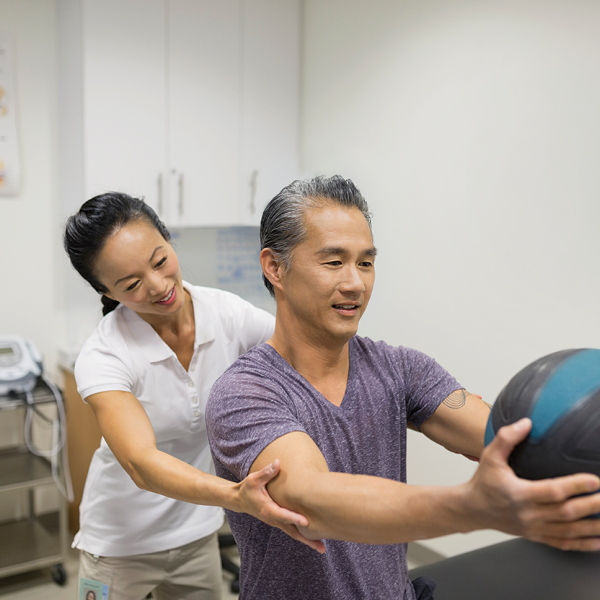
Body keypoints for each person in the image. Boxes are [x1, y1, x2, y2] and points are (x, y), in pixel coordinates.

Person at [206, 175, 600, 600]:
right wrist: (472, 506)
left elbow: (511, 440)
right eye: (334, 262)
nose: (356, 283)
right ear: (275, 267)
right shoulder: (244, 393)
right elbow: (310, 501)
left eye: (366, 262)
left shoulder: (399, 367)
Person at [64, 192, 318, 600]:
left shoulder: (226, 314)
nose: (159, 286)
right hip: (119, 544)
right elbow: (140, 463)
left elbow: (301, 352)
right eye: (131, 284)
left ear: (168, 238)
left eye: (160, 260)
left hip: (197, 534)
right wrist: (237, 497)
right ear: (106, 291)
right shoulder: (105, 355)